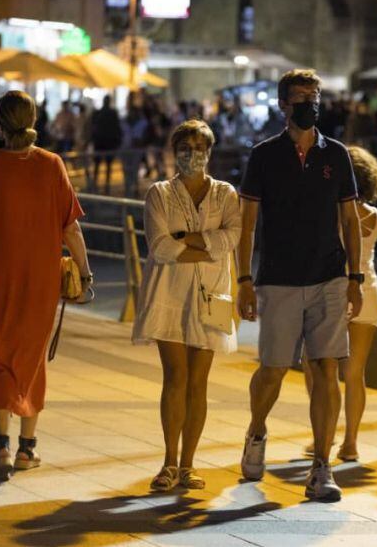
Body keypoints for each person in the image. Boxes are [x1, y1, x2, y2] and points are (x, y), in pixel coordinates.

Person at [236, 69, 364, 502]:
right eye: (300, 98)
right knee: (272, 369)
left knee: (327, 368)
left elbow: (350, 219)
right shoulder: (265, 155)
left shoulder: (337, 154)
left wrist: (356, 277)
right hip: (279, 278)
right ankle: (256, 432)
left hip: (328, 275)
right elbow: (248, 224)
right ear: (282, 105)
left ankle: (322, 466)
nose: (310, 104)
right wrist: (244, 279)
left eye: (314, 97)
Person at [0, 91, 92, 482]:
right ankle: (27, 448)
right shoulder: (51, 164)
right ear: (34, 118)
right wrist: (85, 274)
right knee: (32, 358)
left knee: (0, 358)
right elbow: (70, 227)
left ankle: (1, 447)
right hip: (39, 281)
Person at [133, 119, 242, 491]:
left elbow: (232, 239)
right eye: (185, 148)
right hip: (170, 295)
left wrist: (187, 238)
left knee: (200, 382)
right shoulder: (159, 194)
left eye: (199, 149)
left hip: (213, 296)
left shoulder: (226, 194)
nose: (192, 155)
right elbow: (160, 248)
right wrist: (206, 247)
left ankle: (189, 464)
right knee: (175, 377)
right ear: (173, 152)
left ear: (209, 152)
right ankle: (168, 462)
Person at [301, 144, 377, 462]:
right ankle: (350, 442)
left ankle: (322, 434)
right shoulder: (375, 217)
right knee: (355, 373)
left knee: (317, 368)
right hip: (367, 291)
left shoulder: (328, 213)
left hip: (332, 291)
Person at [91, 95, 123, 192]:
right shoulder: (112, 113)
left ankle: (97, 184)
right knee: (106, 165)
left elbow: (93, 128)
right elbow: (117, 128)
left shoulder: (98, 113)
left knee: (98, 164)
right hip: (107, 142)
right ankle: (104, 186)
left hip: (101, 142)